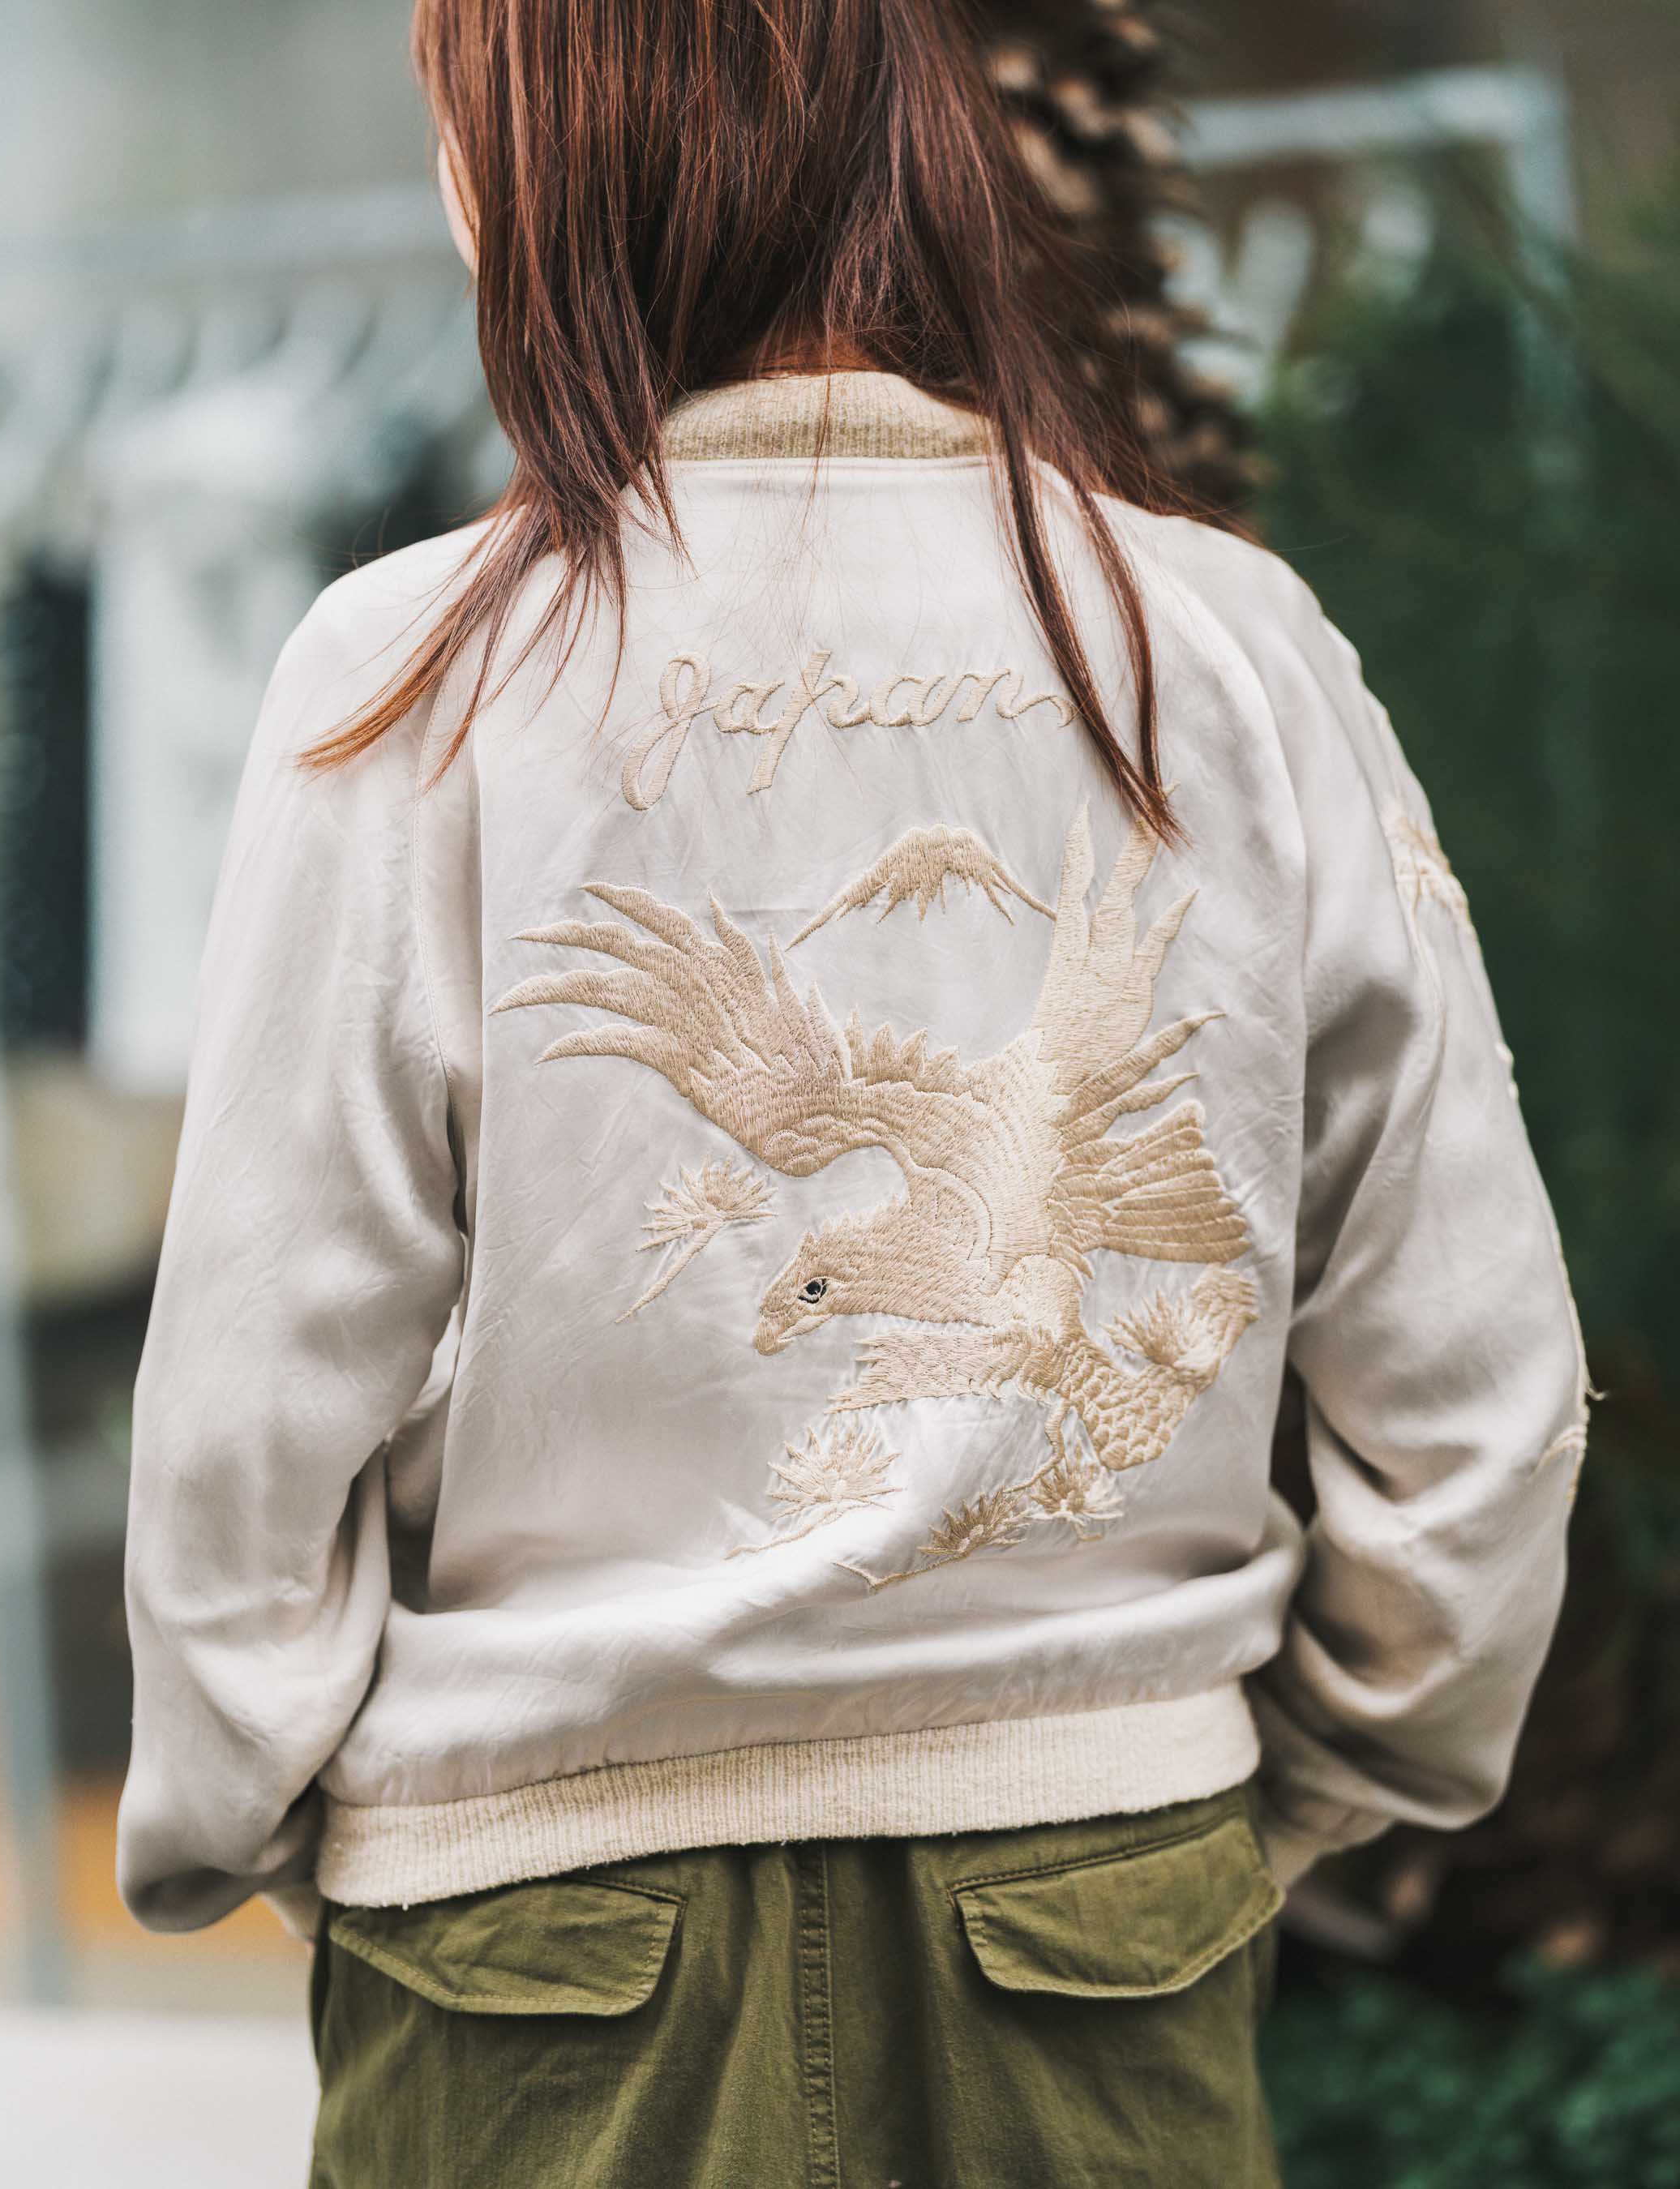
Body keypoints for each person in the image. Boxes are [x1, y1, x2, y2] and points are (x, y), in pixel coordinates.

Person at [115, 2, 1589, 2183]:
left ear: (554, 164)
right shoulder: (1227, 644)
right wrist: (1237, 1788)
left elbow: (245, 1422)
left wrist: (305, 1830)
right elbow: (1479, 1395)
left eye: (460, 122)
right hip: (1098, 1922)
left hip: (538, 1962)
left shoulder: (415, 677)